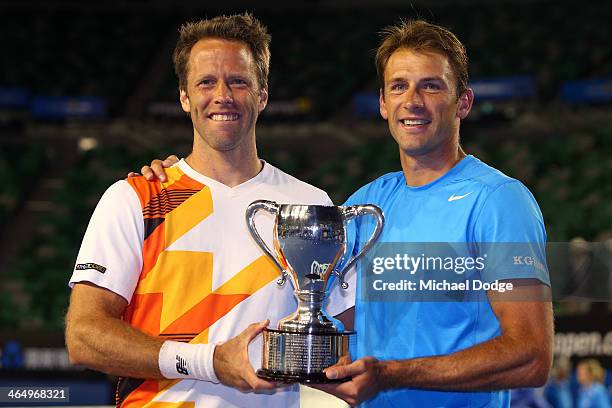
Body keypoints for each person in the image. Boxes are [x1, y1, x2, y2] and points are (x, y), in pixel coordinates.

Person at [142, 20, 554, 408]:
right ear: (382, 103)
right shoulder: (366, 204)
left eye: (431, 87)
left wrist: (391, 375)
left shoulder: (499, 201)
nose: (412, 101)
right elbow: (323, 311)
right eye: (398, 87)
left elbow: (530, 356)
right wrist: (189, 177)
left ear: (462, 102)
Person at [65, 13, 350, 408]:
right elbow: (83, 336)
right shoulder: (136, 199)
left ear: (262, 95)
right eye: (205, 82)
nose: (223, 95)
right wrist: (210, 362)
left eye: (238, 81)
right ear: (184, 97)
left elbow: (346, 342)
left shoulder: (311, 206)